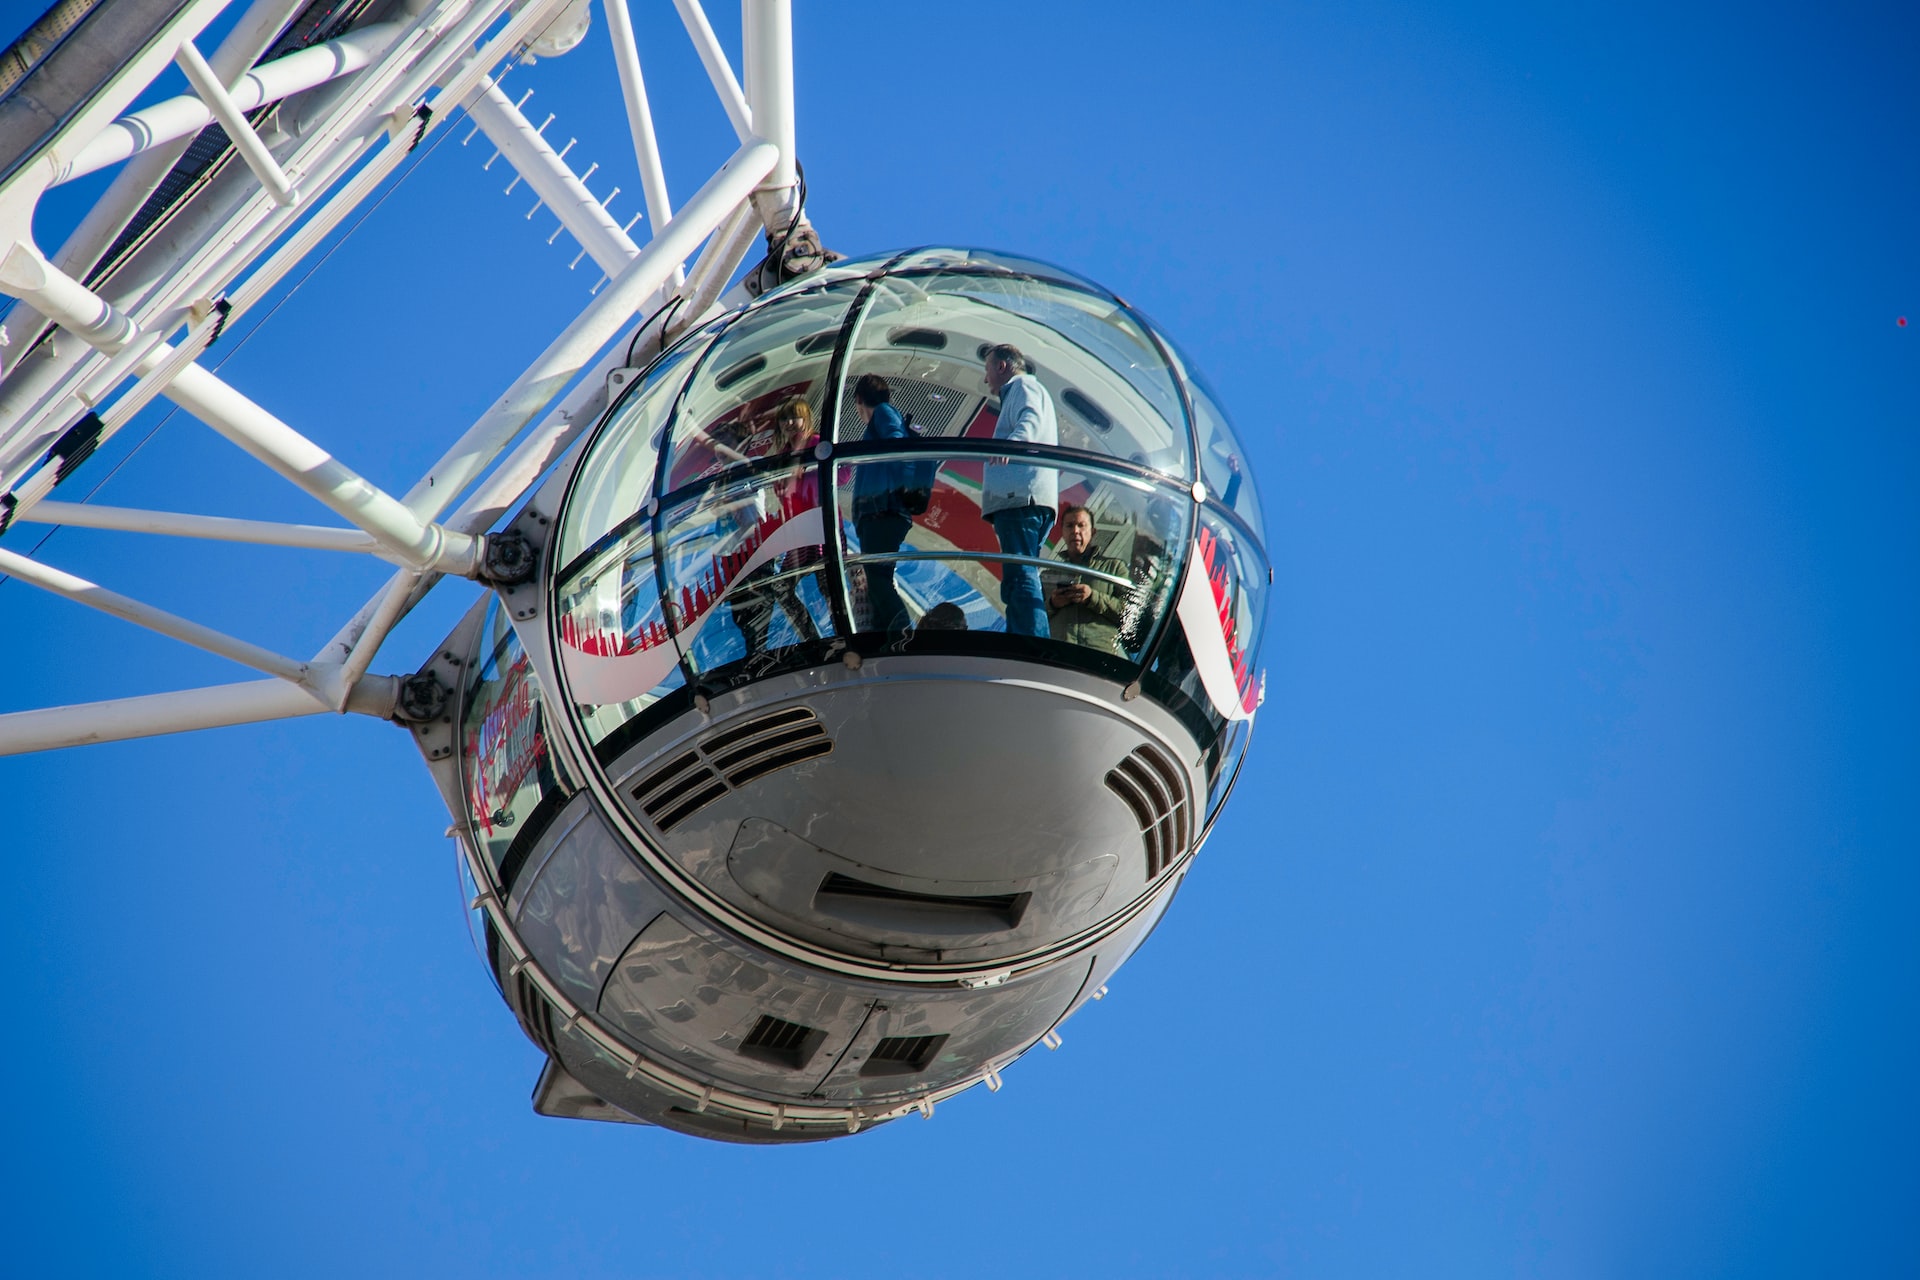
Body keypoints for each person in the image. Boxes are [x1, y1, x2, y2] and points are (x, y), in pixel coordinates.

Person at [732, 396, 822, 657]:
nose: (790, 423)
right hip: (796, 530)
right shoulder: (783, 455)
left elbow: (842, 474)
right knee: (784, 587)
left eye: (795, 417)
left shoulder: (815, 444)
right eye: (784, 419)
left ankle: (828, 639)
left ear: (807, 418)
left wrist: (811, 464)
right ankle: (813, 639)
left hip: (816, 526)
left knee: (822, 583)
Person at [980, 343, 1057, 637]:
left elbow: (1030, 421)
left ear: (1002, 366)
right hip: (1021, 499)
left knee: (1022, 573)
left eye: (988, 369)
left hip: (1020, 500)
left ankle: (1033, 642)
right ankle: (1021, 636)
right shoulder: (1021, 391)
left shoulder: (1025, 387)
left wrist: (1008, 446)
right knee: (1017, 575)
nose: (986, 379)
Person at [849, 373, 914, 633]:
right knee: (878, 582)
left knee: (879, 582)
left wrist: (902, 492)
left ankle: (902, 637)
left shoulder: (884, 413)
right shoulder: (881, 419)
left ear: (859, 399)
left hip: (883, 512)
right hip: (879, 513)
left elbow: (898, 445)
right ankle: (885, 640)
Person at [1044, 504, 1129, 653]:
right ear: (1063, 532)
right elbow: (1033, 616)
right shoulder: (1047, 574)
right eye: (1069, 526)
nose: (1075, 531)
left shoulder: (1114, 568)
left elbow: (1128, 614)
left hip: (1099, 657)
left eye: (1081, 526)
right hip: (1060, 656)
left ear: (1093, 532)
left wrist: (1092, 597)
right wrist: (1053, 604)